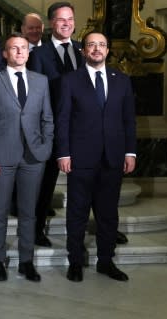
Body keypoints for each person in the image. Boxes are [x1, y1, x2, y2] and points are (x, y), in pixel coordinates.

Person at [57, 32, 136, 283]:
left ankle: (105, 261)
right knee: (77, 214)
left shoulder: (122, 80)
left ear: (108, 50)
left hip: (112, 158)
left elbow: (128, 121)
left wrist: (130, 151)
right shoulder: (70, 81)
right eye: (91, 45)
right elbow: (63, 120)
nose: (97, 49)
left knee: (108, 214)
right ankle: (76, 262)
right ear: (83, 51)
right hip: (80, 159)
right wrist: (64, 153)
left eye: (102, 45)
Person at [0, 34, 54, 282]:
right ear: (5, 53)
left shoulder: (41, 81)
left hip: (33, 157)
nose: (20, 52)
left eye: (23, 48)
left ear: (28, 53)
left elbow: (47, 119)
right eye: (14, 48)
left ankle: (26, 261)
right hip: (1, 155)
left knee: (28, 212)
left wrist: (45, 148)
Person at [27, 1, 83, 247]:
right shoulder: (38, 54)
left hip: (81, 129)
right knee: (44, 185)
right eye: (61, 19)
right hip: (49, 129)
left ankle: (87, 231)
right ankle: (35, 230)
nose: (67, 23)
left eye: (70, 18)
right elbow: (35, 94)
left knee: (84, 186)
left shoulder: (84, 50)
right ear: (51, 23)